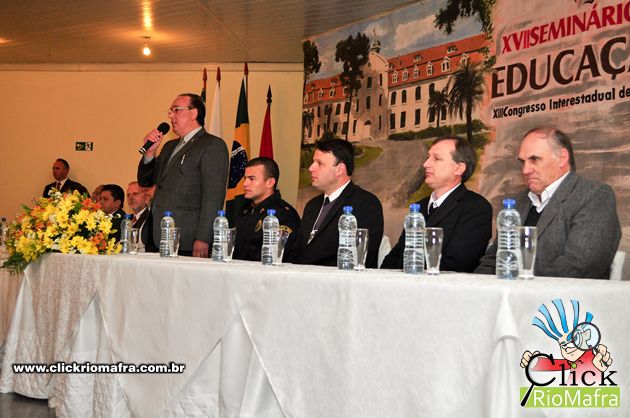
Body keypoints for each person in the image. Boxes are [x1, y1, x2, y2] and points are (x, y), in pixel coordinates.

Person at [475, 127, 621, 279]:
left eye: (534, 159)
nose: (525, 170)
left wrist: (517, 279)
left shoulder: (593, 195)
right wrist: (476, 287)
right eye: (523, 162)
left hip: (563, 294)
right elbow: (493, 259)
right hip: (506, 292)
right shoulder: (518, 203)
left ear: (562, 158)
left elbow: (578, 267)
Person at [381, 136, 492, 272]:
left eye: (436, 159)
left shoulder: (476, 208)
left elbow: (458, 264)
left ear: (459, 169)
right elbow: (397, 255)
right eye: (428, 157)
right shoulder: (420, 207)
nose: (426, 164)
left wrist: (410, 271)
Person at [138, 93, 229, 257]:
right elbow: (146, 181)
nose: (170, 115)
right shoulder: (169, 146)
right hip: (158, 236)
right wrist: (150, 153)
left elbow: (213, 196)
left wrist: (203, 238)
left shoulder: (212, 145)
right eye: (170, 111)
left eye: (176, 110)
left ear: (194, 113)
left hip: (187, 238)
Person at [288, 139, 383, 267]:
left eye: (319, 163)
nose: (311, 168)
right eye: (313, 162)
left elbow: (360, 257)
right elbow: (297, 249)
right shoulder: (312, 205)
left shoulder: (366, 204)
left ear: (340, 169)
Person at [232, 157, 300, 261]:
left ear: (270, 182)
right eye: (245, 178)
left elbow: (274, 256)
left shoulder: (282, 215)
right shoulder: (245, 210)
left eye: (251, 179)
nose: (245, 183)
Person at [126, 181, 155, 252]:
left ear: (146, 196)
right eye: (128, 195)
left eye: (135, 194)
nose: (131, 198)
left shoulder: (151, 217)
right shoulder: (127, 219)